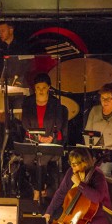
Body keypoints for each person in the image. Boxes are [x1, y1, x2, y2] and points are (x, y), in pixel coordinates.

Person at [44, 148, 112, 224]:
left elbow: (97, 198)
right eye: (71, 164)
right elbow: (61, 193)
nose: (72, 167)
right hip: (75, 217)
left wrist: (80, 184)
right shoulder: (71, 171)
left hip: (96, 220)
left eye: (75, 164)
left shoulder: (98, 175)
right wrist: (49, 212)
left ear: (85, 162)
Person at [21, 73, 67, 201]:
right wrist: (37, 138)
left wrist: (50, 137)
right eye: (38, 88)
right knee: (27, 161)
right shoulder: (28, 101)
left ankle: (37, 191)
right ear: (34, 88)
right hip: (32, 138)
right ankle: (40, 188)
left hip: (50, 138)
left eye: (44, 87)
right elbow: (25, 122)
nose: (41, 90)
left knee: (42, 162)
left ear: (49, 88)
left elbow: (59, 122)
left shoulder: (55, 102)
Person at [85, 83, 112, 177]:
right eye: (102, 98)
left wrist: (109, 150)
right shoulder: (94, 110)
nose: (105, 101)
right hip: (95, 151)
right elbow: (87, 132)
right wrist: (90, 149)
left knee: (103, 170)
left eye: (108, 98)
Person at [0, 21, 29, 86]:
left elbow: (26, 66)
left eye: (3, 31)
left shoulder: (21, 47)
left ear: (11, 30)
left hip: (17, 83)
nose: (0, 33)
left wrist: (19, 81)